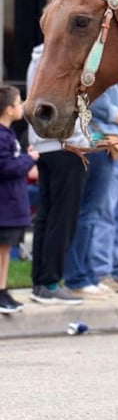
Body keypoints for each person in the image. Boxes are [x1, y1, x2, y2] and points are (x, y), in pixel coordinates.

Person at [64, 84, 118, 298]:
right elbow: (90, 102)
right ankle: (100, 271)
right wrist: (117, 113)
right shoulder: (104, 68)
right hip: (106, 142)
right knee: (103, 212)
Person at [27, 44, 87, 306]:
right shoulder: (63, 57)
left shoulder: (36, 59)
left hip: (45, 146)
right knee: (62, 218)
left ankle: (41, 282)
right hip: (66, 146)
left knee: (46, 216)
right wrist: (83, 138)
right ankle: (51, 282)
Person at [0, 85, 38, 313]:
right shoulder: (2, 136)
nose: (22, 105)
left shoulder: (8, 134)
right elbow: (5, 167)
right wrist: (29, 159)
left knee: (4, 250)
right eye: (18, 102)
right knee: (2, 250)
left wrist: (25, 157)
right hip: (5, 205)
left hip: (11, 204)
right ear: (8, 109)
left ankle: (3, 290)